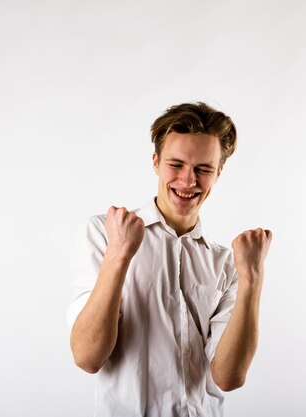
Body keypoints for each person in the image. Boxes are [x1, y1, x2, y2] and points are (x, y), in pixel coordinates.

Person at [67, 102, 272, 417]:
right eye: (176, 164)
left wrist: (252, 279)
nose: (188, 180)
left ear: (218, 172)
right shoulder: (104, 233)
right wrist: (118, 256)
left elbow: (229, 378)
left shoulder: (225, 263)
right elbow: (87, 357)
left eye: (203, 169)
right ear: (155, 162)